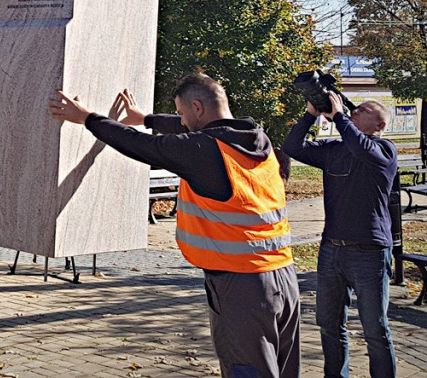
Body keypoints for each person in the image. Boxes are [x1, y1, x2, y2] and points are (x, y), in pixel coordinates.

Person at [49, 74, 300, 378]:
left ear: (197, 107)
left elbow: (142, 146)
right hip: (283, 279)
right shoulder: (256, 138)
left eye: (181, 113)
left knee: (248, 372)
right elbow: (191, 129)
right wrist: (146, 118)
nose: (180, 120)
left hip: (242, 288)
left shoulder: (206, 151)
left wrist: (86, 117)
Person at [281, 93, 398, 378]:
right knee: (330, 325)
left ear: (380, 124)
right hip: (332, 249)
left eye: (364, 109)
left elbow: (362, 149)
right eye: (354, 109)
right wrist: (310, 114)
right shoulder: (334, 149)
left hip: (369, 251)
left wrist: (340, 117)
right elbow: (292, 147)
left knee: (375, 329)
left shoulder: (385, 151)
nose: (355, 110)